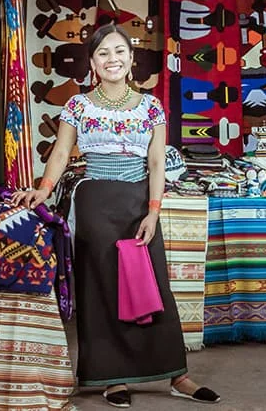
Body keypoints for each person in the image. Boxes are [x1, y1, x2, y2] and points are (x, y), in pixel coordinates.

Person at [15, 23, 220, 408]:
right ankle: (112, 379)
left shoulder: (151, 106)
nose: (113, 59)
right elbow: (61, 154)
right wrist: (43, 190)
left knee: (153, 286)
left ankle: (177, 375)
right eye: (103, 53)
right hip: (95, 204)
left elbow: (156, 163)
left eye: (119, 51)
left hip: (138, 204)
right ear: (93, 63)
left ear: (131, 58)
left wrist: (153, 211)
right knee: (103, 289)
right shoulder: (78, 105)